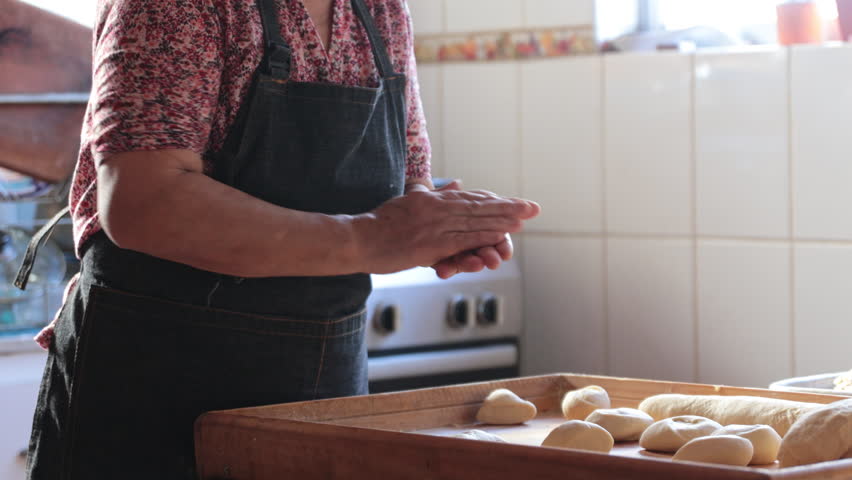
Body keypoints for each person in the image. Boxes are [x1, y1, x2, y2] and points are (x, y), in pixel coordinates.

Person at [20, 0, 540, 478]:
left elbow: (407, 179)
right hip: (151, 400)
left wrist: (440, 225)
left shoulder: (380, 9)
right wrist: (374, 238)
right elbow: (142, 203)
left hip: (323, 395)